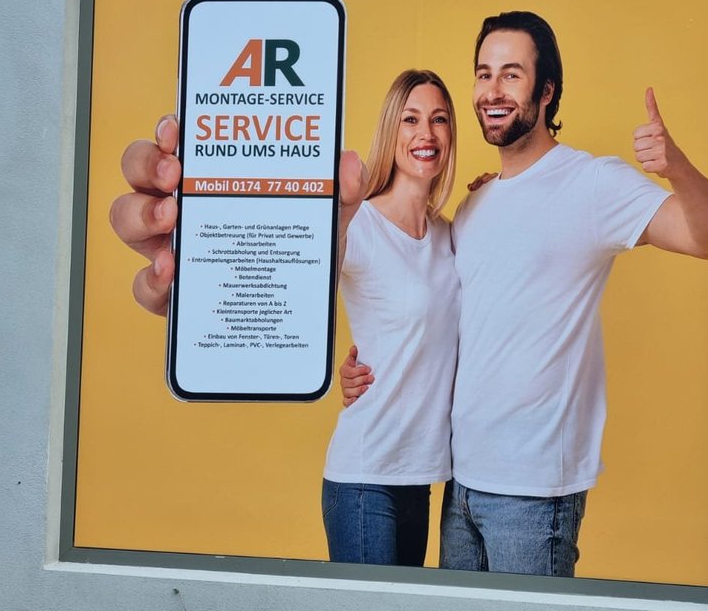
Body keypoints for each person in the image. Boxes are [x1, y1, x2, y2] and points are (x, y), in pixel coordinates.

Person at [340, 11, 708, 577]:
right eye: (483, 75)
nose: (492, 91)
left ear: (546, 91)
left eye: (511, 75)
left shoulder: (593, 184)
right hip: (459, 484)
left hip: (534, 490)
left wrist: (677, 169)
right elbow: (421, 316)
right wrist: (354, 372)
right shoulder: (472, 208)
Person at [110, 69, 461, 567]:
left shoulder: (450, 235)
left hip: (421, 477)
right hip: (365, 477)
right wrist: (202, 252)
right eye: (410, 119)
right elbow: (292, 277)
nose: (425, 133)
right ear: (391, 131)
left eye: (439, 120)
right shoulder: (357, 223)